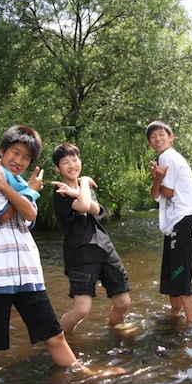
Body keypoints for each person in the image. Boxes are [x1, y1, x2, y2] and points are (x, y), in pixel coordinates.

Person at [0, 125, 116, 384]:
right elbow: (3, 214)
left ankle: (82, 373)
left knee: (54, 335)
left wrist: (23, 190)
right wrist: (22, 190)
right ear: (2, 151)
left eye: (26, 157)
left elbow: (30, 213)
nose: (19, 161)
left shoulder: (22, 184)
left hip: (28, 273)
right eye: (15, 153)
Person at [50, 143, 131, 334]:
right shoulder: (60, 191)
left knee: (123, 302)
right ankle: (58, 341)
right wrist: (85, 182)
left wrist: (78, 190)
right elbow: (84, 205)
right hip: (80, 252)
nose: (72, 165)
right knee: (82, 309)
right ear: (57, 168)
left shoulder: (82, 190)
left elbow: (97, 210)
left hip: (104, 248)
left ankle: (116, 334)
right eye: (66, 162)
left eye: (75, 160)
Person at [146, 120, 192, 325]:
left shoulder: (167, 156)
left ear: (171, 137)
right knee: (173, 274)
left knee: (181, 275)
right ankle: (175, 316)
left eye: (161, 135)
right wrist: (157, 178)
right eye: (153, 137)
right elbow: (155, 195)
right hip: (179, 222)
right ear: (149, 143)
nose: (157, 139)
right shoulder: (166, 158)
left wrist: (158, 179)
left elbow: (166, 192)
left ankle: (191, 325)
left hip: (182, 221)